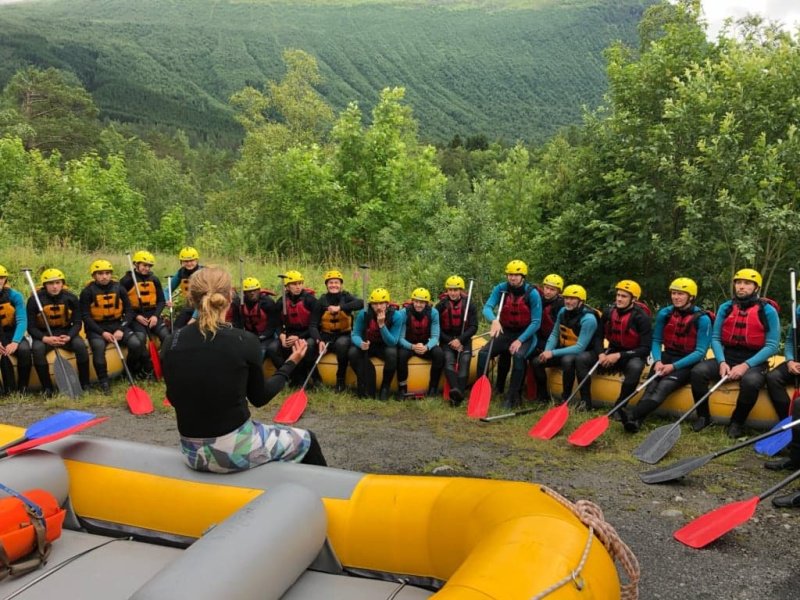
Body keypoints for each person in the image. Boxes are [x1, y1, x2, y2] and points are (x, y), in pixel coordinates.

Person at [160, 267, 326, 472]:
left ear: (191, 299)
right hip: (233, 452)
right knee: (307, 440)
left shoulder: (170, 342)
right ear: (230, 297)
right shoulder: (245, 340)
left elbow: (174, 397)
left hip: (191, 452)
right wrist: (291, 362)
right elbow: (260, 398)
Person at [690, 269, 779, 438]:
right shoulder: (726, 307)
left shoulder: (767, 311)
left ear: (756, 288)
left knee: (751, 382)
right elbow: (715, 338)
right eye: (738, 283)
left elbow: (772, 345)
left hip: (755, 359)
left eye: (747, 283)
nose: (741, 287)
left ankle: (737, 422)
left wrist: (745, 366)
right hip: (728, 356)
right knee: (697, 372)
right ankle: (703, 416)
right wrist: (722, 362)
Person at [621, 278, 711, 433]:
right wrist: (657, 361)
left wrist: (673, 367)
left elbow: (700, 352)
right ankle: (636, 422)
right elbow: (656, 340)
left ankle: (632, 414)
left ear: (691, 297)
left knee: (664, 386)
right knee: (651, 386)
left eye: (681, 294)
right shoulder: (665, 313)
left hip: (688, 361)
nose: (676, 297)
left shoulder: (702, 319)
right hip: (666, 356)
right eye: (674, 293)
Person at [576, 279, 651, 412]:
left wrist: (618, 356)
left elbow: (645, 348)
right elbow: (598, 336)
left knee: (636, 366)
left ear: (633, 299)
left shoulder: (641, 318)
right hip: (611, 350)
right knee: (582, 358)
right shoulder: (609, 312)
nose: (619, 299)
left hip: (631, 354)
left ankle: (619, 407)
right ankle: (585, 402)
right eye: (618, 295)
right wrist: (600, 354)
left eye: (624, 296)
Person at [478, 260, 542, 409]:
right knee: (483, 354)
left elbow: (536, 322)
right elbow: (487, 308)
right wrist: (494, 320)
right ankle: (482, 390)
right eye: (510, 275)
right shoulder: (500, 289)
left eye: (516, 275)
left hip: (525, 334)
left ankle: (512, 396)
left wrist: (520, 340)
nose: (512, 278)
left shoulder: (532, 293)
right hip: (505, 331)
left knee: (518, 356)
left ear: (523, 276)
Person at [79, 259, 143, 394]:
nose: (104, 276)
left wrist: (121, 329)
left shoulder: (119, 288)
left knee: (136, 343)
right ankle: (104, 381)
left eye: (107, 273)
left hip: (117, 324)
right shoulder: (87, 292)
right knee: (98, 347)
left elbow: (129, 311)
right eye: (100, 273)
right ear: (94, 276)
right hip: (96, 328)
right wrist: (102, 333)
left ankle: (129, 372)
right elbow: (86, 316)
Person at [26, 268, 91, 395]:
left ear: (62, 283)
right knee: (37, 349)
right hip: (44, 335)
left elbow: (77, 322)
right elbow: (31, 327)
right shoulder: (34, 300)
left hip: (65, 333)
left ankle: (85, 383)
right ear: (45, 285)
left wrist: (69, 336)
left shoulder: (71, 298)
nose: (54, 286)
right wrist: (45, 338)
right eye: (51, 283)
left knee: (80, 345)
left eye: (57, 282)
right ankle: (47, 388)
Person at [535, 285, 601, 405]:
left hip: (585, 351)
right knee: (536, 362)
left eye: (572, 299)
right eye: (566, 298)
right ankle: (543, 397)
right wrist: (547, 351)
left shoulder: (588, 319)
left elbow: (580, 347)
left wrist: (552, 353)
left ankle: (567, 398)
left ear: (581, 301)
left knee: (567, 360)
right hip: (566, 348)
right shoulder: (562, 311)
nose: (568, 301)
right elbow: (555, 334)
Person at [309, 270, 363, 393]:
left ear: (341, 284)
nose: (334, 285)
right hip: (325, 336)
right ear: (326, 285)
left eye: (336, 282)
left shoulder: (346, 297)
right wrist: (319, 341)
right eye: (331, 283)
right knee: (309, 345)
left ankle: (340, 380)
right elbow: (312, 325)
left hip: (344, 335)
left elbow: (361, 303)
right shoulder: (321, 301)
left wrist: (340, 307)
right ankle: (316, 380)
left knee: (342, 344)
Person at [764, 295, 800, 474]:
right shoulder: (798, 312)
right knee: (773, 378)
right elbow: (790, 341)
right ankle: (786, 421)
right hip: (797, 362)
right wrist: (791, 360)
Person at [265, 270, 318, 386]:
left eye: (300, 283)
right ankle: (289, 376)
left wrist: (298, 337)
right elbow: (277, 324)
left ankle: (308, 379)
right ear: (287, 287)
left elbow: (315, 325)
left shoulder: (311, 300)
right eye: (294, 284)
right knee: (272, 349)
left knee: (306, 346)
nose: (298, 287)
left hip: (307, 333)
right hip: (288, 334)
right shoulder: (281, 302)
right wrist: (282, 336)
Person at [348, 287, 403, 400]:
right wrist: (361, 344)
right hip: (368, 345)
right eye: (375, 304)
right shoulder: (364, 314)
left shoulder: (396, 316)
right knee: (353, 352)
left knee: (392, 354)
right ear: (371, 304)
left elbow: (392, 342)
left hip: (385, 346)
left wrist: (382, 325)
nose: (378, 307)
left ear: (387, 304)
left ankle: (385, 387)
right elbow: (355, 334)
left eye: (382, 303)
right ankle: (367, 382)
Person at [120, 251, 168, 378]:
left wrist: (155, 316)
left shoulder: (154, 279)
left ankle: (162, 366)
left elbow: (161, 301)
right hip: (136, 316)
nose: (147, 268)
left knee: (167, 337)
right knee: (140, 340)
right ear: (136, 264)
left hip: (152, 314)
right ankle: (135, 370)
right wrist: (136, 316)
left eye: (149, 266)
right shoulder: (126, 281)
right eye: (144, 265)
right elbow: (122, 304)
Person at [436, 275, 477, 406]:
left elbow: (473, 327)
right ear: (447, 291)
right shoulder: (440, 306)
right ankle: (458, 392)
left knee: (465, 360)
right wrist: (451, 341)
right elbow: (437, 329)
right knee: (448, 360)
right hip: (447, 339)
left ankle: (456, 394)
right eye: (450, 290)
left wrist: (460, 340)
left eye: (456, 290)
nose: (453, 293)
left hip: (464, 338)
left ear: (461, 290)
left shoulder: (470, 304)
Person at [397, 287, 443, 398]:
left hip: (425, 344)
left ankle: (433, 388)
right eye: (416, 301)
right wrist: (412, 346)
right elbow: (400, 338)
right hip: (409, 344)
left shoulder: (433, 313)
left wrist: (426, 347)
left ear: (427, 303)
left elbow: (435, 337)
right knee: (401, 355)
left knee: (439, 354)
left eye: (422, 302)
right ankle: (402, 389)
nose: (418, 305)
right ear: (412, 301)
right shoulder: (403, 313)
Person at [530, 273, 565, 402]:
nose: (548, 291)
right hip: (541, 339)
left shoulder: (561, 305)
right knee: (525, 354)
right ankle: (527, 390)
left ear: (558, 292)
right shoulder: (538, 299)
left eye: (552, 289)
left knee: (536, 360)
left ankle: (542, 396)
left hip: (557, 344)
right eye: (547, 288)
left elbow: (557, 333)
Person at [0, 265, 32, 394]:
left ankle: (23, 387)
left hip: (12, 332)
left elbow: (22, 321)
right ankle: (6, 390)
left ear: (5, 279)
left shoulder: (15, 296)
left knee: (24, 350)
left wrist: (15, 341)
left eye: (1, 278)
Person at [237, 277, 278, 360]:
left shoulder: (267, 303)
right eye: (249, 291)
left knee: (260, 352)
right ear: (244, 293)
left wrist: (260, 338)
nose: (252, 293)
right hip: (250, 334)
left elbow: (272, 327)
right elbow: (239, 324)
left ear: (259, 290)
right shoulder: (240, 303)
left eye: (255, 290)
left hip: (267, 334)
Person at [166, 246, 203, 329]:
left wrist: (194, 318)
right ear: (181, 262)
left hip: (204, 309)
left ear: (196, 260)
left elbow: (205, 298)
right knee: (175, 329)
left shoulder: (203, 273)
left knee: (192, 330)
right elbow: (167, 290)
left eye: (191, 260)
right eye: (186, 261)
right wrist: (167, 300)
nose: (189, 263)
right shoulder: (181, 273)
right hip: (189, 308)